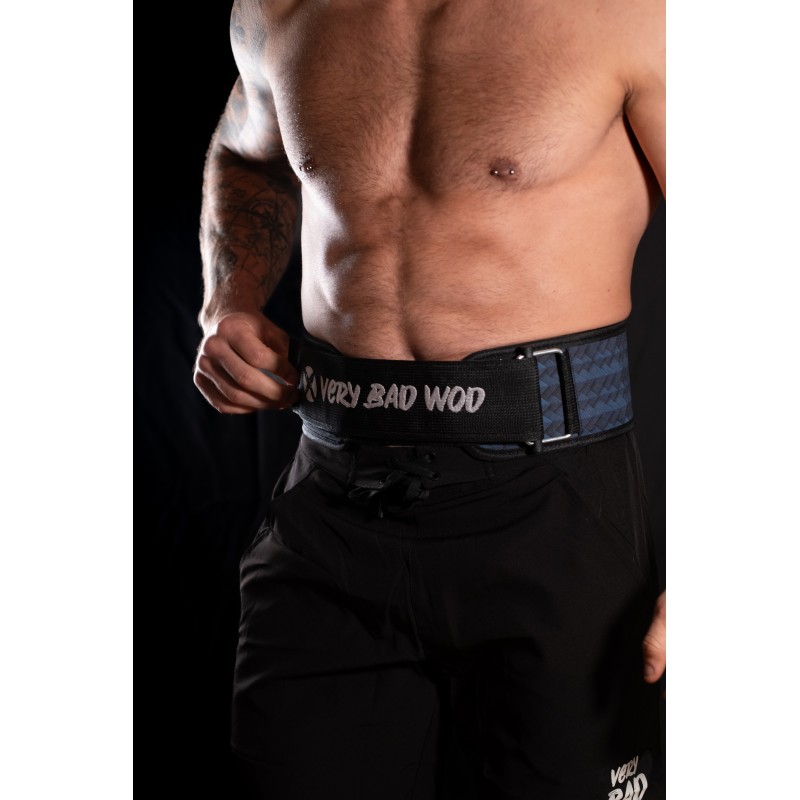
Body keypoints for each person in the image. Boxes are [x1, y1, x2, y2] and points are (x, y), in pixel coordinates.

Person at [193, 0, 666, 797]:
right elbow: (249, 153)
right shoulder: (278, 8)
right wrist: (228, 301)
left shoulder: (636, 14)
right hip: (331, 506)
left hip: (552, 511)